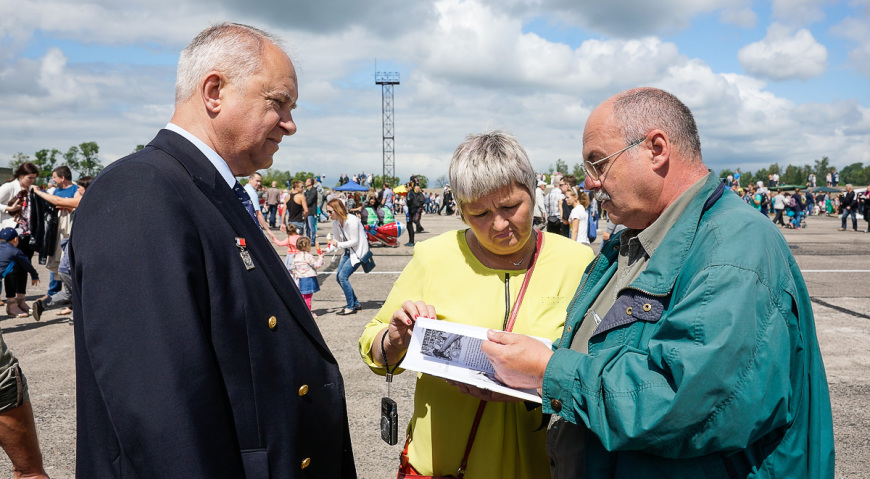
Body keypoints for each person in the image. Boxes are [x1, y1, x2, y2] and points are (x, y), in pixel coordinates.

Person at [481, 88, 834, 478]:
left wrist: (550, 371)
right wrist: (525, 377)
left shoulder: (733, 252)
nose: (590, 183)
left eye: (598, 164)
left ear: (657, 149)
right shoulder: (634, 238)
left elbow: (682, 402)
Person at [69, 22, 355, 477]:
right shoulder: (141, 190)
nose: (291, 124)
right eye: (278, 102)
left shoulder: (206, 190)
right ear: (215, 91)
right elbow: (161, 411)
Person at [358, 131, 594, 478]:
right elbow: (373, 346)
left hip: (543, 465)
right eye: (479, 213)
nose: (499, 224)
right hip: (441, 465)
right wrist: (394, 339)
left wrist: (540, 380)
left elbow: (601, 366)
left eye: (511, 206)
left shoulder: (577, 262)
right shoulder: (433, 256)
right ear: (461, 210)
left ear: (532, 192)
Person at [31, 176, 94, 320]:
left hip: (67, 262)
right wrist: (38, 192)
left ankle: (44, 304)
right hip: (72, 263)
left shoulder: (82, 202)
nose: (76, 189)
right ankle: (78, 318)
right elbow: (59, 201)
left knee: (69, 293)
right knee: (81, 293)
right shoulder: (84, 202)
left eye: (79, 187)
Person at [0, 163, 40, 314]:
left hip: (25, 233)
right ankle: (11, 303)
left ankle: (21, 300)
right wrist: (8, 209)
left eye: (34, 178)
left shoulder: (30, 189)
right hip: (10, 233)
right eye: (30, 178)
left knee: (24, 266)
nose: (32, 181)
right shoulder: (9, 187)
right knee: (12, 269)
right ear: (21, 175)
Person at [326, 198, 368, 315]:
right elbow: (336, 241)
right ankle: (355, 303)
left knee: (343, 276)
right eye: (327, 212)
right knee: (338, 277)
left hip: (359, 252)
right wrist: (327, 250)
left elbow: (355, 241)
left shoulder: (352, 220)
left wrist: (337, 244)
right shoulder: (336, 223)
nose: (328, 214)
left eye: (330, 211)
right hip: (348, 251)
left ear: (337, 210)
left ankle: (350, 307)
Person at [0, 228, 39, 318]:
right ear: (16, 239)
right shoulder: (15, 251)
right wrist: (34, 276)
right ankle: (13, 305)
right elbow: (27, 265)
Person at [288, 236, 323, 316]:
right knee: (308, 297)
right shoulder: (308, 256)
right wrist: (320, 258)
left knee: (303, 296)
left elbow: (292, 267)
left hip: (300, 279)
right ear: (307, 246)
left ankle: (302, 311)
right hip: (309, 279)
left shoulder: (296, 256)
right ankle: (308, 313)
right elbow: (316, 265)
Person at [304, 177, 318, 242]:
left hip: (311, 211)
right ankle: (308, 238)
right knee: (306, 227)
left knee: (311, 226)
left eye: (306, 181)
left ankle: (312, 240)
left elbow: (310, 200)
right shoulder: (306, 191)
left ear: (310, 183)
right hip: (306, 211)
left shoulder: (314, 190)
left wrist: (303, 205)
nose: (305, 183)